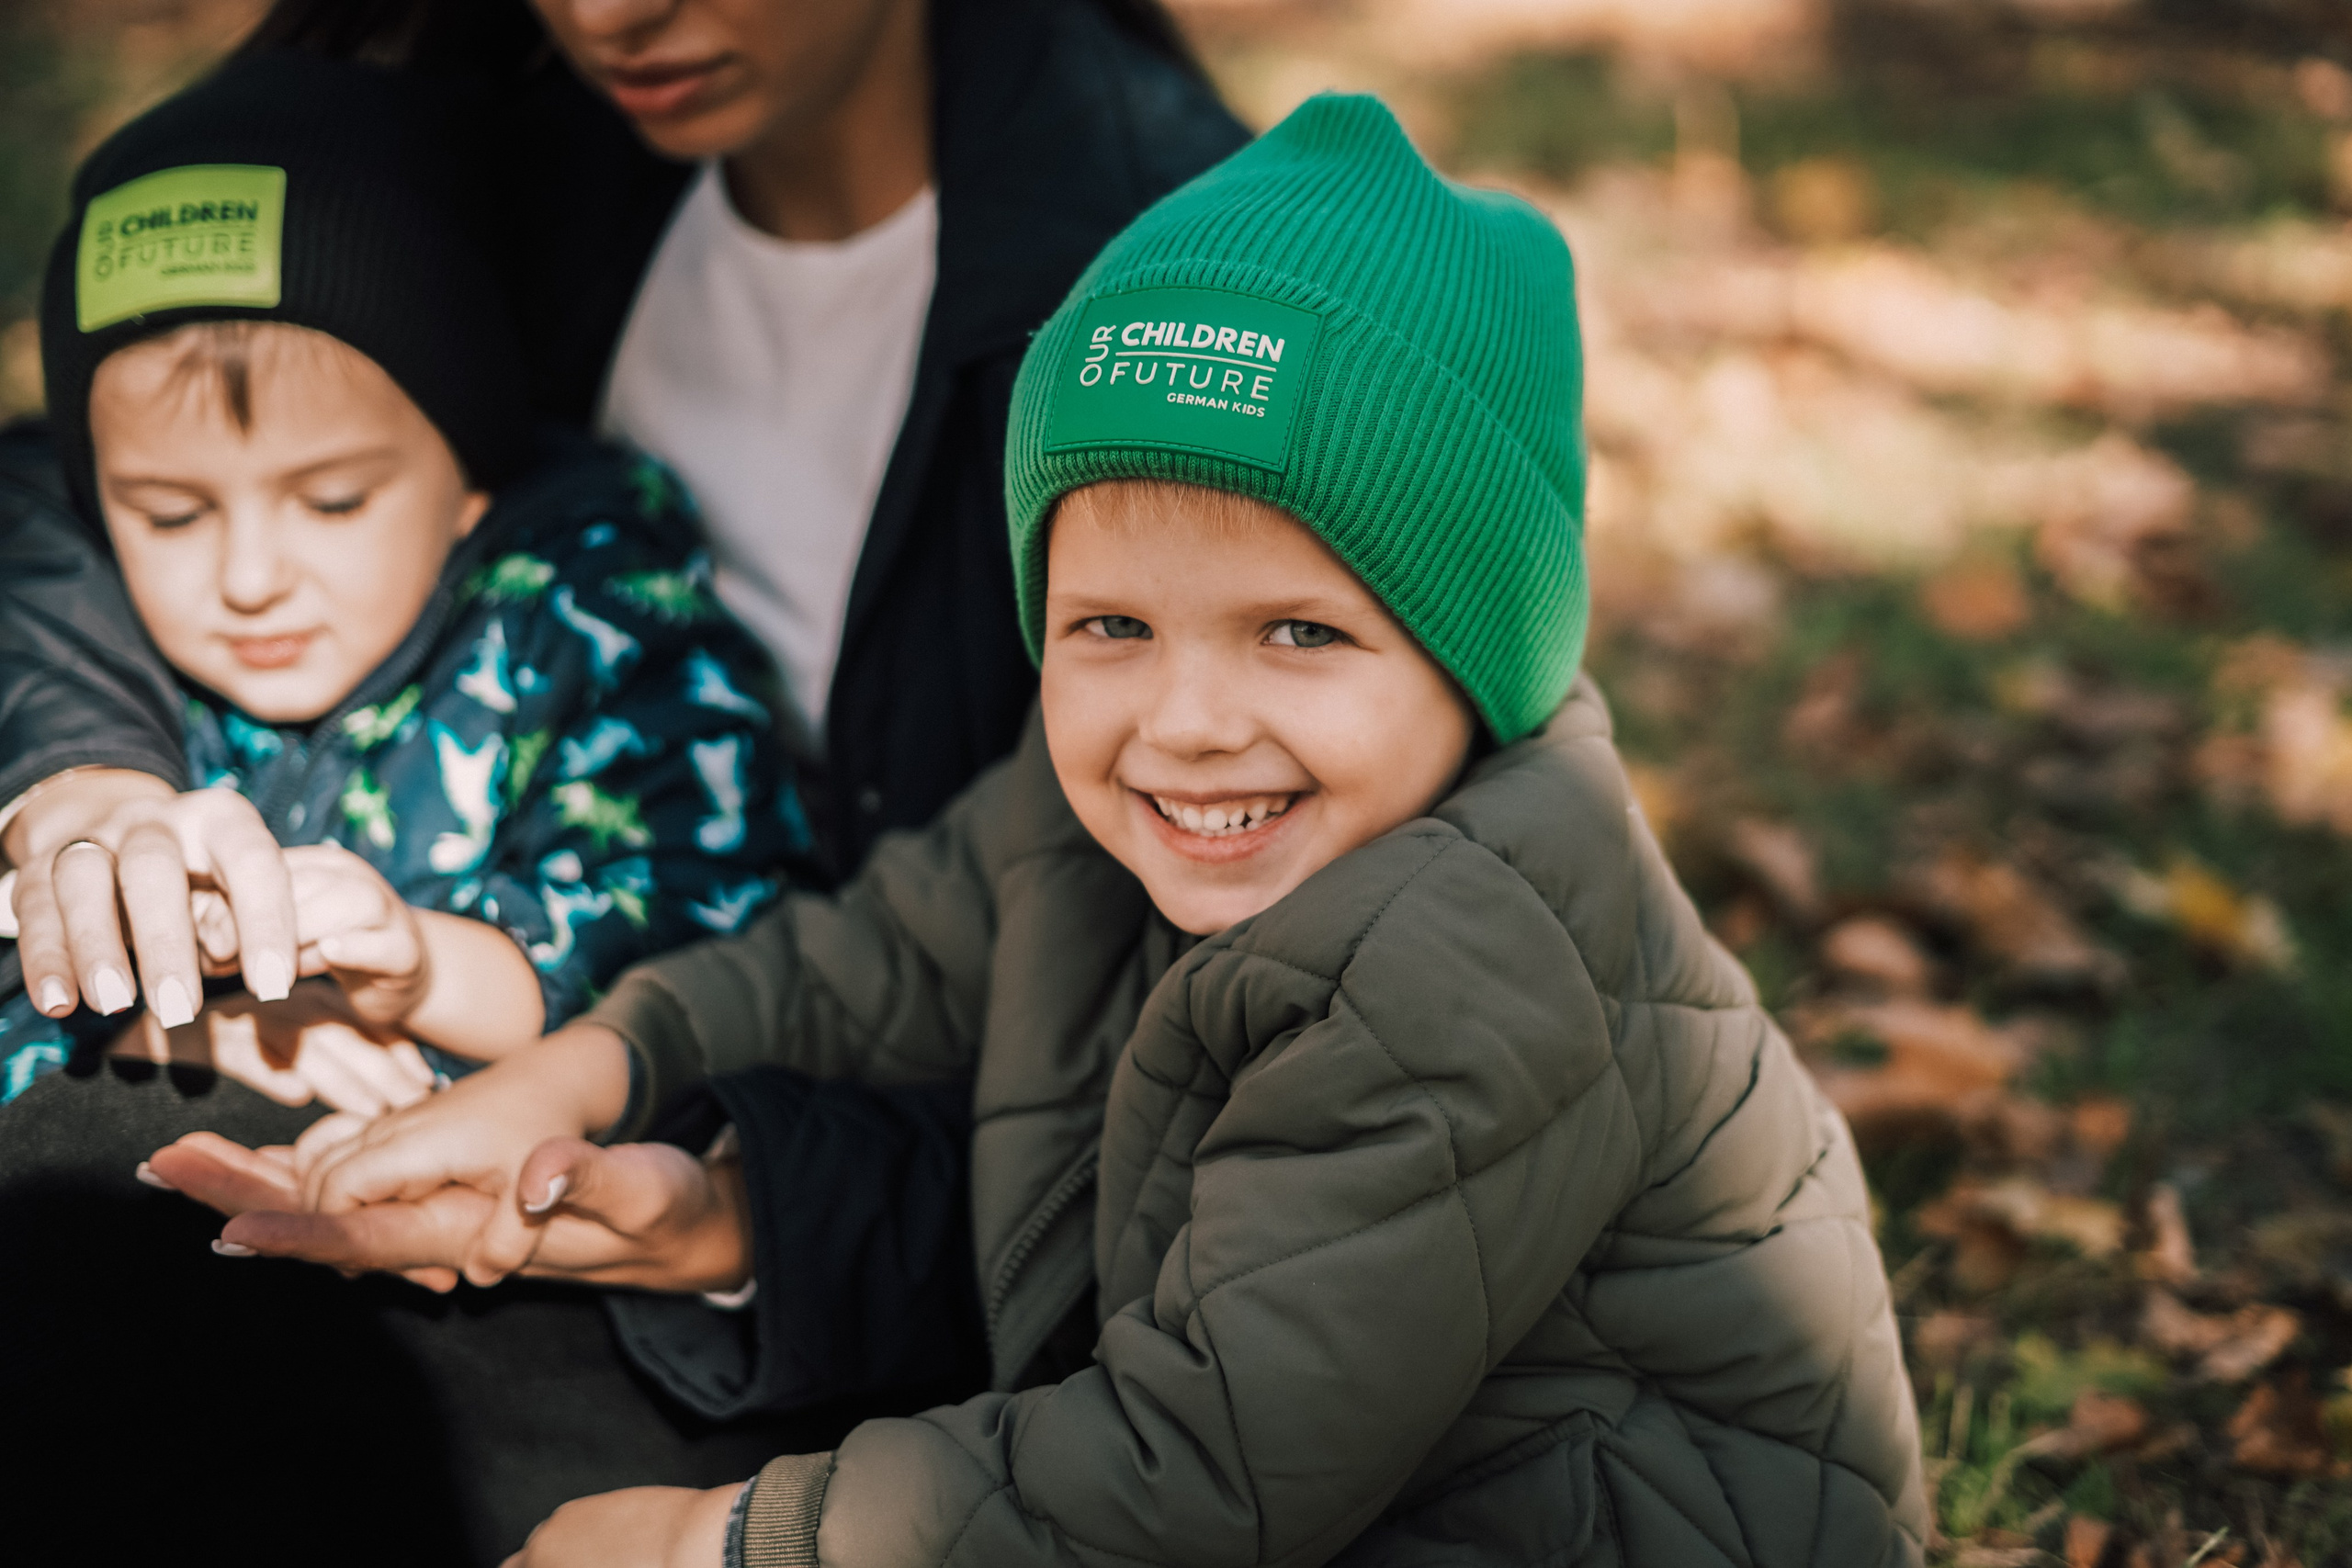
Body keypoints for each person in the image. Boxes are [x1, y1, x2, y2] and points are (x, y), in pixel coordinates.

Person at [174, 96, 1931, 1568]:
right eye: (1111, 626)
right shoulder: (1103, 798)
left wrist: (721, 1544)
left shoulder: (1464, 955)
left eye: (1299, 633)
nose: (1183, 718)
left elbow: (1200, 1470)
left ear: (1478, 653)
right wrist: (579, 1076)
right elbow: (863, 959)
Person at [0, 1, 1246, 1558]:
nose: (611, 14)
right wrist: (83, 783)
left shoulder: (1172, 301)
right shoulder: (510, 108)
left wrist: (734, 1215)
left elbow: (1163, 1123)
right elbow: (111, 433)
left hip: (792, 1245)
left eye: (330, 500)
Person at [5, 50, 795, 1116]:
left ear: (470, 476)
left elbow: (715, 947)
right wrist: (150, 1025)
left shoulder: (592, 638)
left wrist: (424, 970)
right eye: (171, 513)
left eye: (332, 502)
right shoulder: (87, 658)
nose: (248, 580)